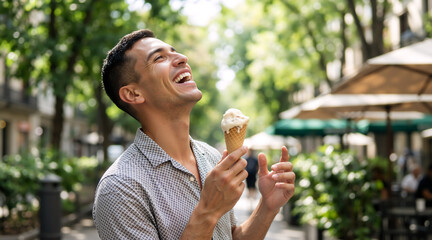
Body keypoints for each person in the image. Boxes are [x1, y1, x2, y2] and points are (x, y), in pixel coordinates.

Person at [92, 29, 296, 239]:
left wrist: (267, 207)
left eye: (175, 52)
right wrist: (208, 211)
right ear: (133, 94)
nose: (182, 58)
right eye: (159, 57)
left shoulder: (212, 157)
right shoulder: (119, 187)